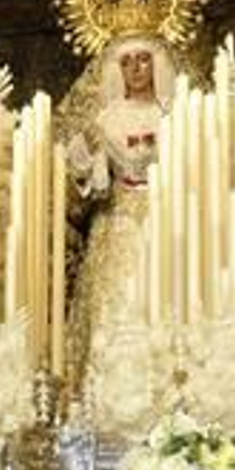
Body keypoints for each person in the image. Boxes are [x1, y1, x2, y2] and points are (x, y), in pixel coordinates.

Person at [65, 34, 176, 369]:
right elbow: (84, 171)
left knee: (163, 292)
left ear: (156, 64)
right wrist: (87, 151)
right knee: (114, 294)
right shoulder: (108, 118)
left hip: (166, 214)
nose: (135, 68)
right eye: (126, 62)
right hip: (118, 217)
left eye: (142, 59)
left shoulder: (172, 115)